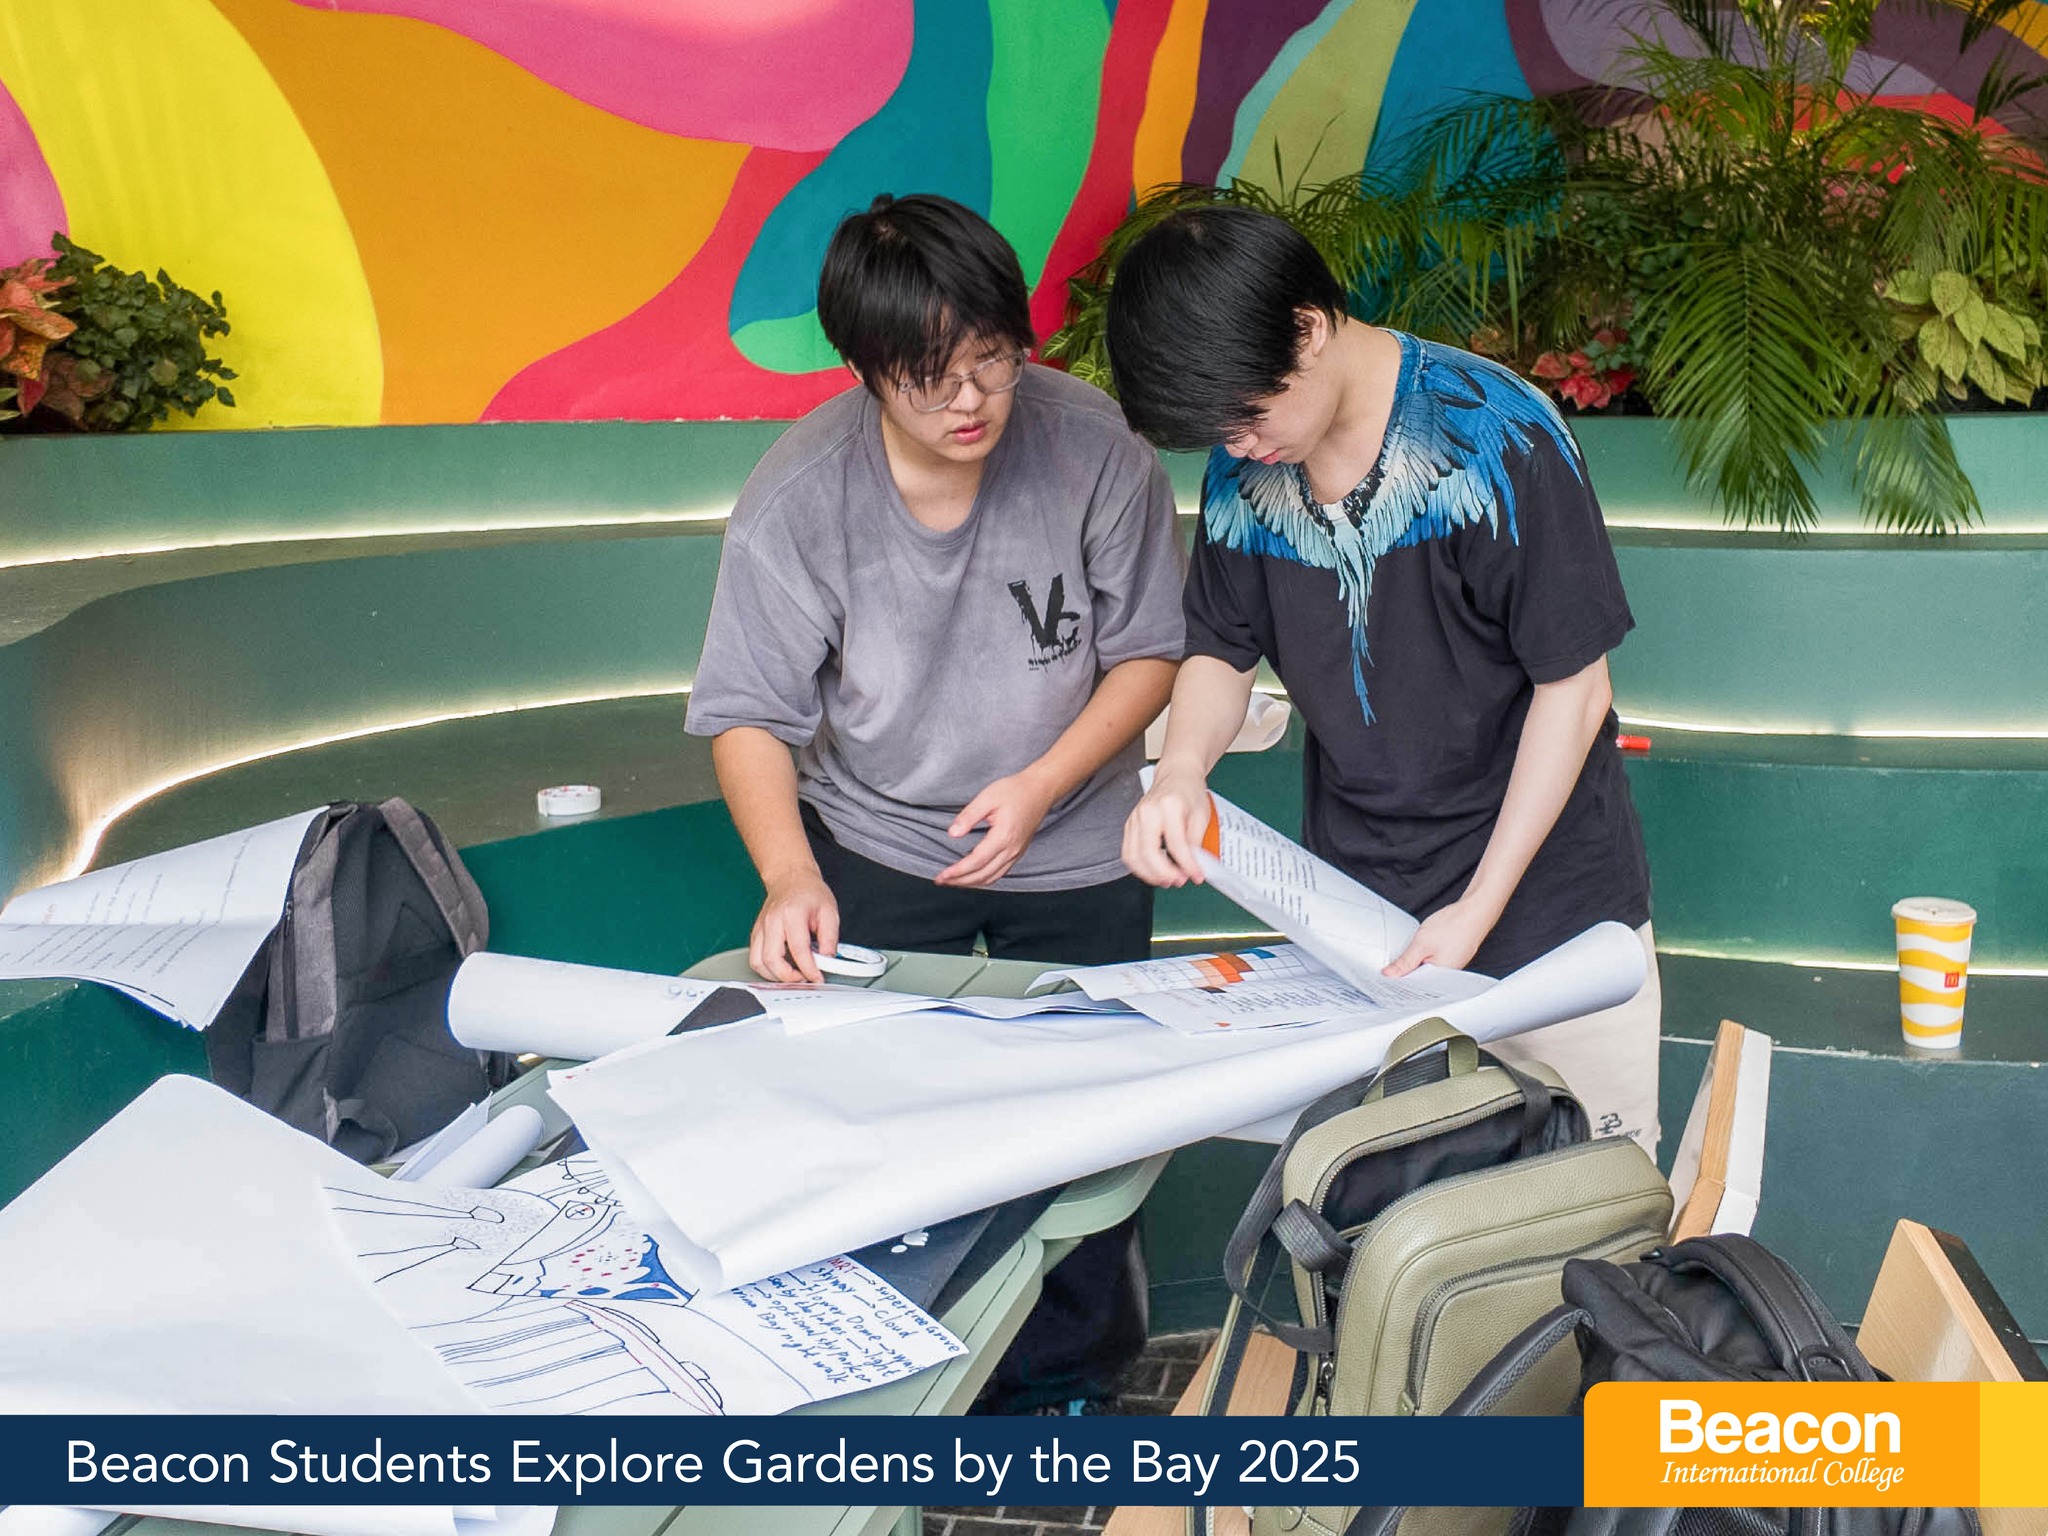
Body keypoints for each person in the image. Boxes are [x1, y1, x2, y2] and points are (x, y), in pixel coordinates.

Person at [684, 193, 1187, 1410]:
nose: (971, 401)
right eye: (930, 377)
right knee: (885, 1125)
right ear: (865, 370)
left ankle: (1071, 1387)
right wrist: (790, 876)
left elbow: (1147, 653)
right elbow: (748, 712)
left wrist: (1043, 784)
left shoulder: (1093, 448)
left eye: (992, 360)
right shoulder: (799, 498)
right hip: (877, 837)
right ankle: (903, 1385)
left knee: (1087, 1128)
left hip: (1075, 840)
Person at [1104, 204, 1660, 1151]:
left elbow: (1576, 692)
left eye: (1248, 416)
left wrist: (1478, 908)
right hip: (1362, 925)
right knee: (1390, 1215)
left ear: (1308, 329)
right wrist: (1184, 772)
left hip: (1553, 922)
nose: (1237, 447)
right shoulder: (1249, 466)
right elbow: (1222, 649)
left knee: (1591, 1211)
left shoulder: (1500, 436)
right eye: (1219, 431)